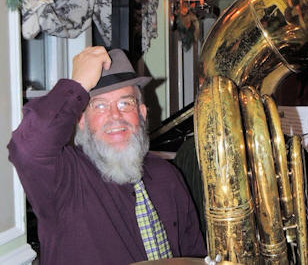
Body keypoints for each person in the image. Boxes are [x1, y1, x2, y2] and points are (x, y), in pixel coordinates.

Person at [8, 46, 206, 265]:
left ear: (141, 113)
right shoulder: (64, 179)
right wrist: (78, 85)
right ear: (81, 120)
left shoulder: (167, 175)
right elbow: (28, 147)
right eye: (100, 106)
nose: (115, 116)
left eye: (125, 103)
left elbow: (193, 254)